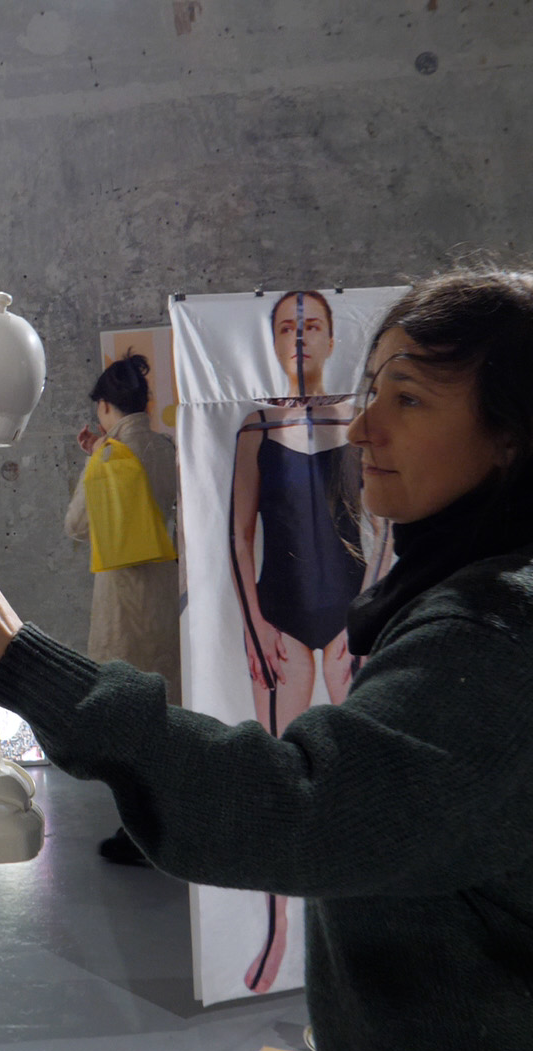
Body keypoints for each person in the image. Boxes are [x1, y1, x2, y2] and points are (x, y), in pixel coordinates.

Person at [0, 268, 533, 1051]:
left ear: (514, 435)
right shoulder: (525, 579)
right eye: (373, 389)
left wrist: (25, 666)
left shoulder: (502, 630)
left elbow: (292, 809)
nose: (364, 427)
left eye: (409, 400)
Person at [228, 291, 391, 990]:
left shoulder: (359, 419)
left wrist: (370, 617)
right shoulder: (256, 427)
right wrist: (254, 625)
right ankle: (279, 928)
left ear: (330, 338)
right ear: (273, 341)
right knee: (280, 782)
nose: (299, 337)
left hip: (350, 618)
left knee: (360, 784)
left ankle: (361, 926)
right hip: (283, 619)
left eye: (311, 325)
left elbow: (388, 529)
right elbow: (238, 537)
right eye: (288, 327)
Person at [66, 353, 182, 867]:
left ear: (106, 407)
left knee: (125, 715)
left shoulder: (107, 457)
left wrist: (95, 462)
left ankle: (139, 832)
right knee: (167, 708)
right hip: (164, 593)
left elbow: (76, 526)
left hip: (121, 600)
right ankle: (173, 818)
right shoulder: (165, 449)